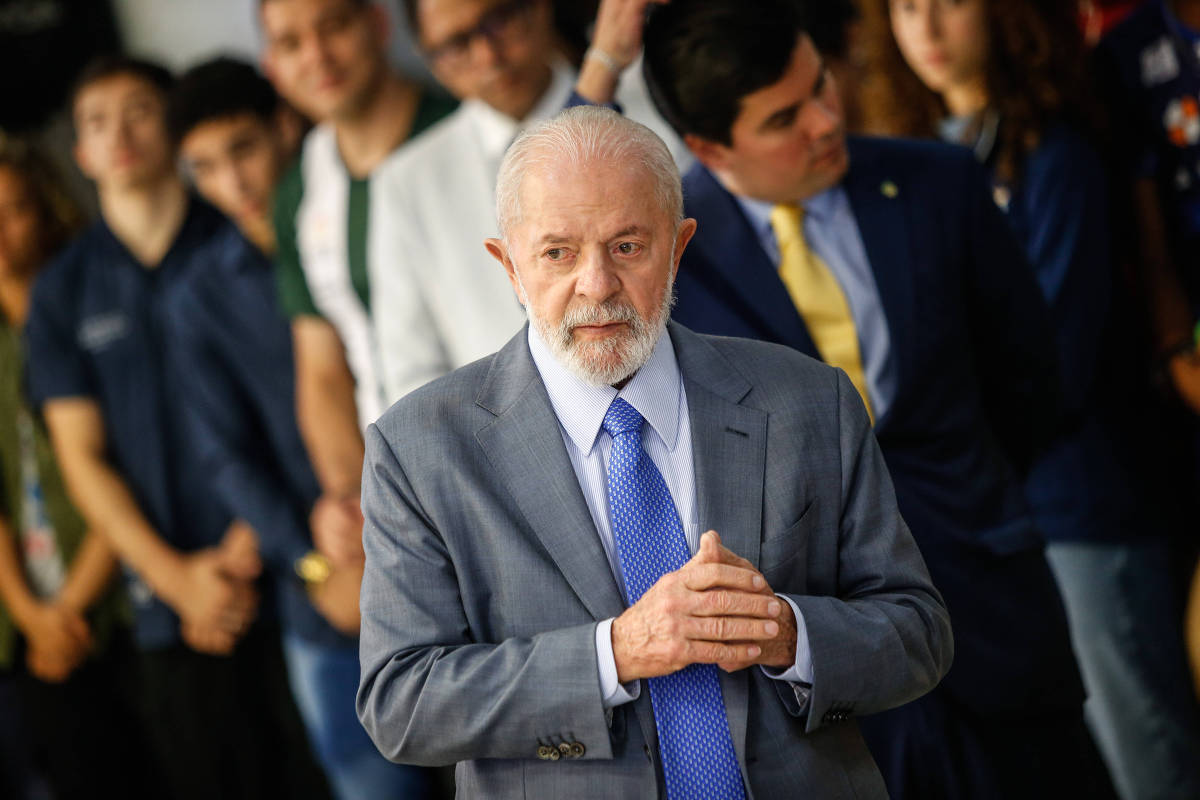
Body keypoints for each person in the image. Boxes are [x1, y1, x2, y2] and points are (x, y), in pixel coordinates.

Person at [593, 0, 1113, 797]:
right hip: (825, 667)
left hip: (994, 612)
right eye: (783, 119)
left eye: (821, 87)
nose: (825, 121)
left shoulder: (936, 182)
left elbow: (1030, 383)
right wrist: (601, 67)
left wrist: (970, 498)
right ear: (709, 148)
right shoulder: (672, 266)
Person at [356, 104, 953, 799]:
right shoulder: (418, 449)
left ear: (678, 247)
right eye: (557, 253)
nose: (597, 284)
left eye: (627, 246)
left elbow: (919, 634)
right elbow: (401, 703)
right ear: (509, 266)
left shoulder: (810, 401)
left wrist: (789, 635)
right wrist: (614, 653)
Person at [860, 2, 1200, 797]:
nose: (926, 29)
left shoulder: (1057, 154)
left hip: (1083, 505)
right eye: (905, 6)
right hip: (981, 516)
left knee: (1147, 758)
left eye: (949, 2)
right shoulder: (901, 157)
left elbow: (1057, 365)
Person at [23, 56, 327, 800]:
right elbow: (81, 458)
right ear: (81, 152)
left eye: (138, 110)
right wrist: (178, 581)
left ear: (176, 128)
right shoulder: (63, 289)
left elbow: (300, 400)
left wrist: (251, 540)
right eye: (97, 122)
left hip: (292, 568)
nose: (119, 134)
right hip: (165, 608)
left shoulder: (241, 235)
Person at [166, 57, 433, 799]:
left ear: (286, 126)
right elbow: (225, 458)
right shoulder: (197, 297)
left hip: (445, 541)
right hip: (325, 591)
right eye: (205, 167)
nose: (234, 184)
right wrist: (315, 565)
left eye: (243, 150)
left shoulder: (371, 221)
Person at [368, 0, 689, 406]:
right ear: (430, 60)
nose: (489, 55)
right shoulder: (408, 182)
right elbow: (411, 371)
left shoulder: (655, 119)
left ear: (539, 9)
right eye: (456, 44)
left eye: (499, 20)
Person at [260, 0, 458, 544]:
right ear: (272, 65)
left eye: (334, 27)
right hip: (396, 491)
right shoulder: (301, 185)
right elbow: (322, 370)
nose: (317, 56)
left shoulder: (462, 130)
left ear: (378, 24)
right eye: (291, 43)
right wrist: (353, 500)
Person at [0, 136, 158, 799]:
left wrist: (67, 608)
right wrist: (31, 615)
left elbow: (130, 461)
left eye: (14, 209)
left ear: (46, 208)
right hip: (28, 623)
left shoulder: (93, 303)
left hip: (120, 600)